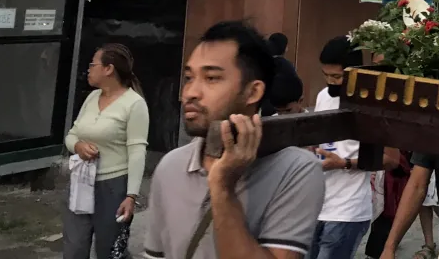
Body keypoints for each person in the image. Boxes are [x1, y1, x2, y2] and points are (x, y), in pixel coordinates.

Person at [143, 21, 325, 259]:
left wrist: (222, 186)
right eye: (189, 77)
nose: (190, 92)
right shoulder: (171, 166)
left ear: (253, 92)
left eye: (211, 78)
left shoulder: (296, 170)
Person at [312, 37, 400, 259]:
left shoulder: (374, 104)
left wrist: (344, 163)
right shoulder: (323, 96)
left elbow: (391, 159)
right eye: (326, 75)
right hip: (315, 205)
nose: (330, 82)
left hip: (347, 210)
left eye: (337, 77)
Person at [64, 44, 149, 259]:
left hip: (113, 186)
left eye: (93, 64)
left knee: (108, 250)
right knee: (74, 248)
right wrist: (78, 146)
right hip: (82, 181)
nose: (89, 69)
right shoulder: (92, 98)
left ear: (108, 69)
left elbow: (137, 151)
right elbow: (71, 135)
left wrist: (131, 195)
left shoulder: (134, 104)